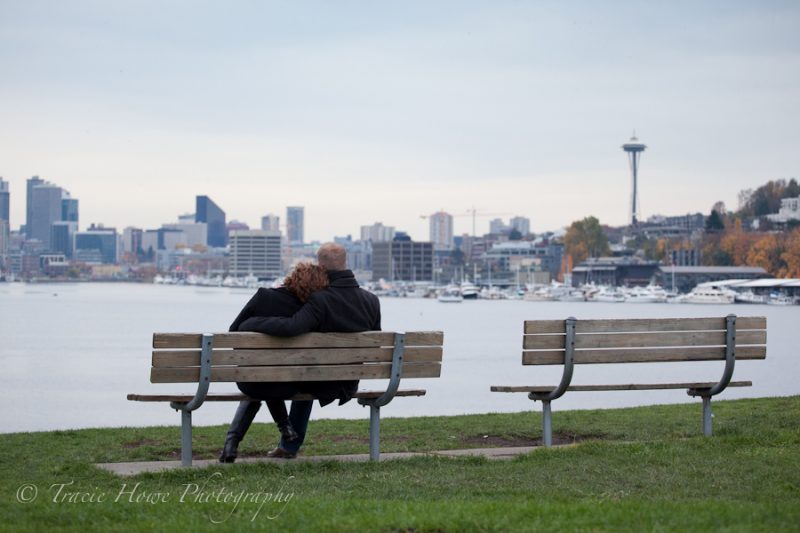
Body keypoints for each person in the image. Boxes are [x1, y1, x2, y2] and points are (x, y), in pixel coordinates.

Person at [235, 242, 381, 459]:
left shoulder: (320, 300)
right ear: (345, 263)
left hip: (320, 381)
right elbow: (376, 342)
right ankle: (288, 446)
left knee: (302, 374)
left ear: (321, 265)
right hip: (348, 381)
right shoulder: (371, 300)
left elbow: (291, 327)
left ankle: (288, 445)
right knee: (309, 372)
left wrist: (250, 323)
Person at [219, 262, 330, 463]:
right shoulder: (310, 312)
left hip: (250, 381)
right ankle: (285, 427)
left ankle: (231, 445)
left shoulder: (264, 297)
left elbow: (233, 332)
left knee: (259, 381)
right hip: (290, 385)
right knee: (270, 377)